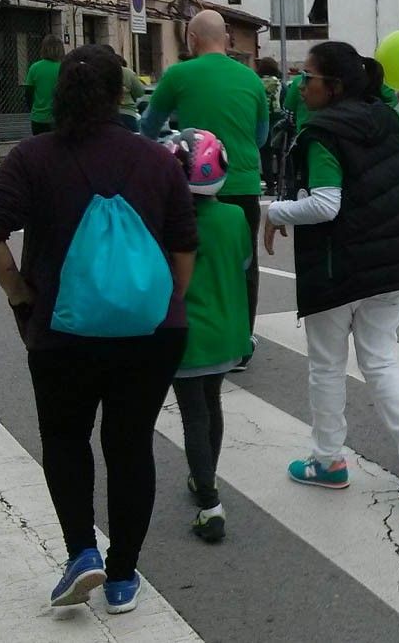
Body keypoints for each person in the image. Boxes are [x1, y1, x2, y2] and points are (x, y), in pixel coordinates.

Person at [0, 44, 198, 614]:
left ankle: (81, 553)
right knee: (130, 447)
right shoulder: (157, 160)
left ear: (59, 94)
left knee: (66, 440)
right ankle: (122, 577)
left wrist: (20, 292)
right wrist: (164, 302)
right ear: (120, 91)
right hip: (150, 335)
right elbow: (183, 246)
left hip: (61, 332)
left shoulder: (32, 157)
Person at [262, 41, 399, 510]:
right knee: (381, 360)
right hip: (394, 268)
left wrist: (276, 211)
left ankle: (328, 461)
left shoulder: (322, 132)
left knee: (326, 365)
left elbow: (326, 205)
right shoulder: (389, 120)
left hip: (339, 266)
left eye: (309, 78)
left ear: (334, 86)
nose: (300, 86)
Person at [142, 10, 267, 372]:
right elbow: (260, 136)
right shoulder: (251, 79)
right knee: (244, 263)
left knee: (184, 254)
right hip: (242, 181)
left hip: (191, 184)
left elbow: (150, 127)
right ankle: (242, 341)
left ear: (192, 38)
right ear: (227, 38)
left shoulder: (179, 75)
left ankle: (188, 330)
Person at [162, 129, 252, 543]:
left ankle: (210, 501)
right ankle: (204, 480)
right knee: (211, 405)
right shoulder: (234, 217)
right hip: (227, 334)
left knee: (193, 415)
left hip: (187, 336)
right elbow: (245, 264)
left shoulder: (168, 222)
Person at [24, 34, 64, 135]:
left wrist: (33, 110)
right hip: (58, 117)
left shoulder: (34, 68)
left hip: (38, 119)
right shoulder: (63, 68)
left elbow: (28, 93)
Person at [256, 57, 283, 193]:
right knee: (280, 155)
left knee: (265, 156)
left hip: (264, 123)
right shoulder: (280, 85)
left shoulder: (257, 84)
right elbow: (286, 103)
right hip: (279, 124)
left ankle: (270, 186)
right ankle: (281, 183)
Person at [112, 48, 147, 132]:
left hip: (106, 115)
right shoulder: (128, 72)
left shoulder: (98, 71)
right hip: (127, 113)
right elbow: (139, 92)